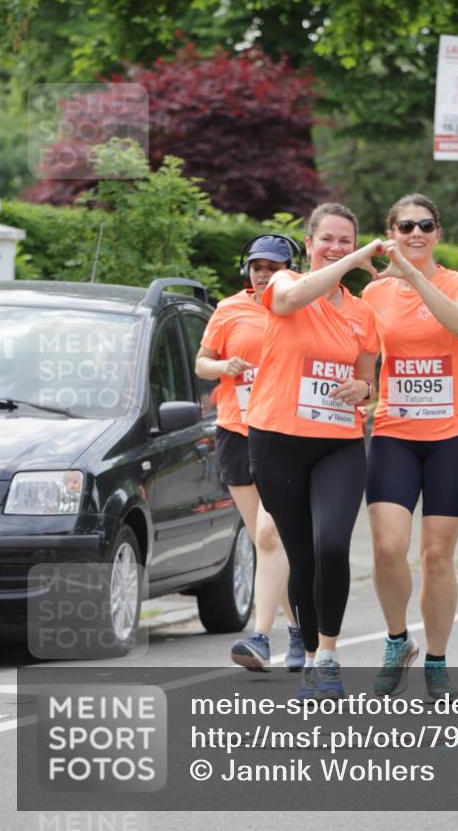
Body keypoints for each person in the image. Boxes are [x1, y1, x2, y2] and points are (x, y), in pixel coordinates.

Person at [246, 204, 382, 699]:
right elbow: (290, 300)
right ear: (309, 244)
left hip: (338, 444)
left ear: (355, 244)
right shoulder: (285, 283)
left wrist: (363, 390)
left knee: (331, 546)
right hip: (277, 440)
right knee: (301, 555)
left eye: (346, 241)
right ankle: (305, 656)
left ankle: (328, 654)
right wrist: (348, 264)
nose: (336, 248)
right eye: (327, 239)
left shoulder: (363, 313)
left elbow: (368, 382)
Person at [361, 193, 458, 700]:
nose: (416, 233)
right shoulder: (374, 293)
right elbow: (363, 360)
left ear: (438, 233)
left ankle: (436, 661)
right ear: (391, 233)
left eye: (426, 225)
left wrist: (412, 276)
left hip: (455, 435)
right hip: (395, 431)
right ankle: (397, 642)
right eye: (406, 226)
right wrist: (357, 390)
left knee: (436, 555)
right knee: (387, 547)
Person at [195, 235, 305, 672]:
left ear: (290, 272)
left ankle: (271, 634)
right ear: (247, 270)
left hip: (282, 433)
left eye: (273, 268)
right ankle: (297, 631)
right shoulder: (228, 310)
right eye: (257, 267)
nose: (263, 274)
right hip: (237, 431)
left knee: (273, 535)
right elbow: (202, 362)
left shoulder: (300, 309)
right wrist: (223, 367)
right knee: (265, 541)